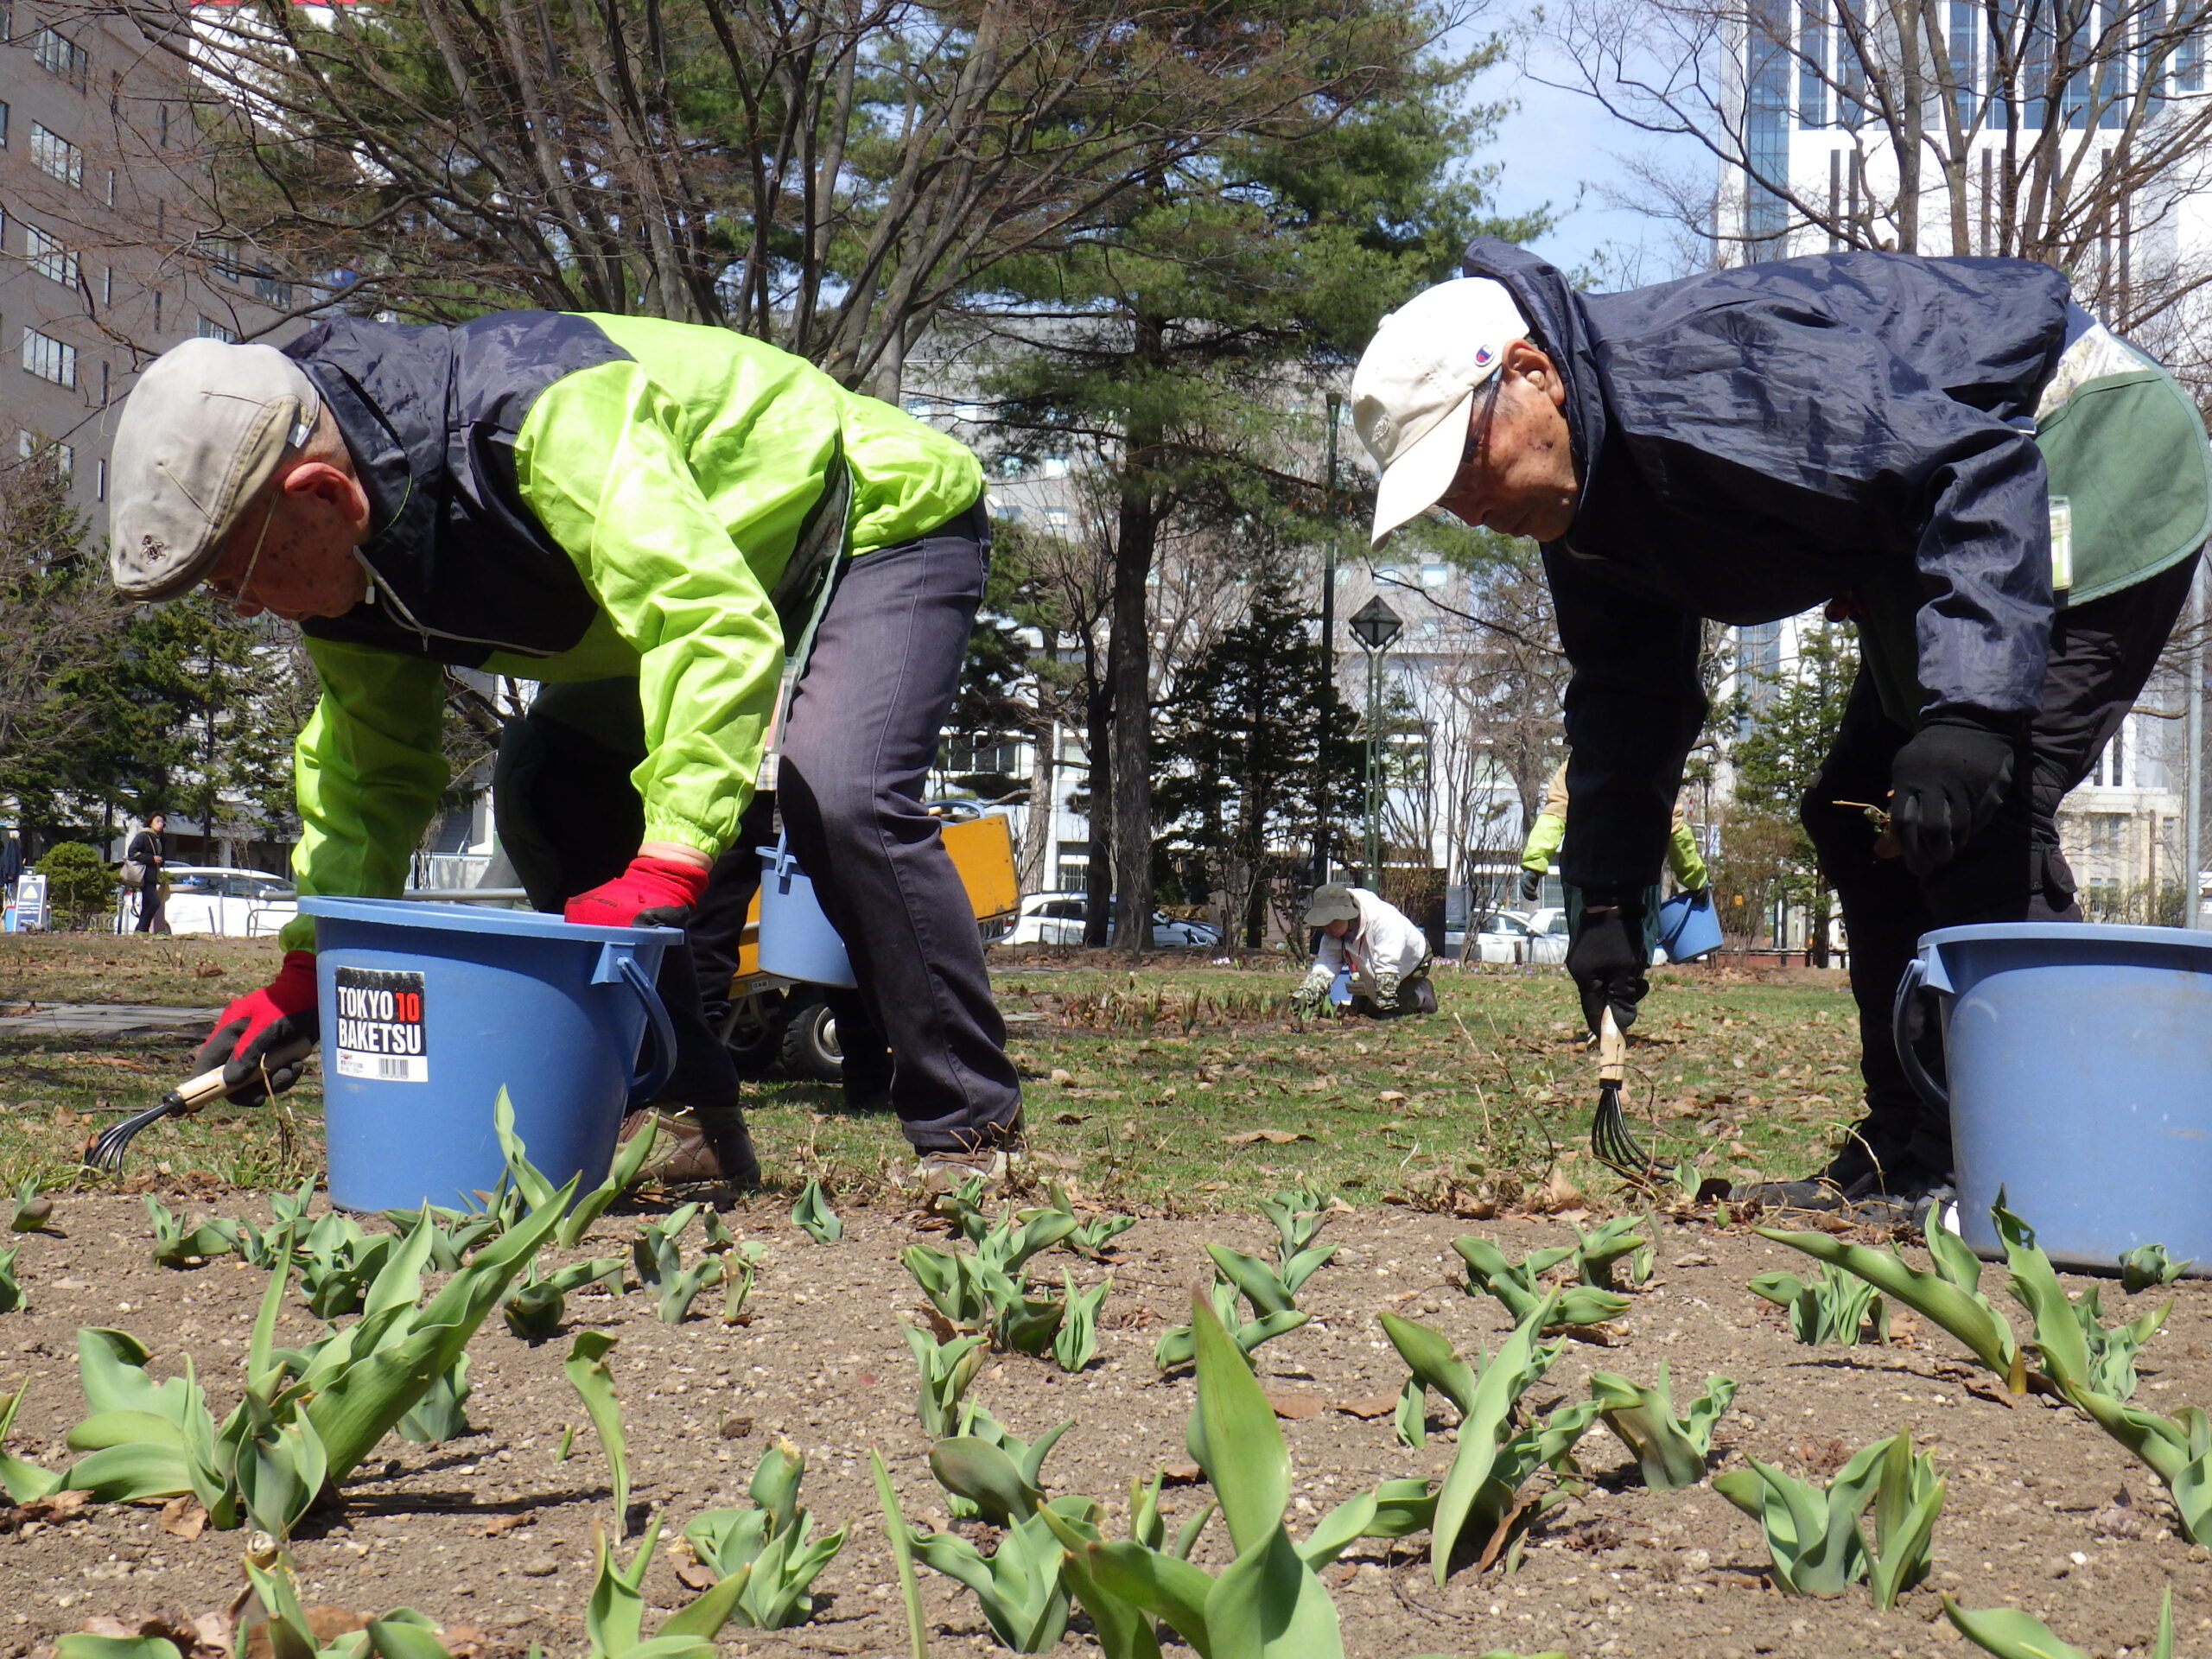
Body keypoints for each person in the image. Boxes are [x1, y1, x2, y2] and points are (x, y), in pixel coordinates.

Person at [1351, 239, 2209, 1224]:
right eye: (1437, 492)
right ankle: (1905, 1148)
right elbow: (1627, 689)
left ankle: (2014, 1172)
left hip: (2069, 445)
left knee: (1973, 816)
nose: (1465, 505)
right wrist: (1606, 900)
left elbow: (1973, 468)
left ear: (1532, 377)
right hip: (1957, 501)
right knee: (1855, 816)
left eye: (1461, 460)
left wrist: (1969, 717)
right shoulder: (1583, 496)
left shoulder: (1707, 380)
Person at [107, 320, 1025, 1188]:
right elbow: (368, 772)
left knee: (840, 791)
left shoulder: (540, 420)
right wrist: (318, 964)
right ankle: (681, 1114)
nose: (244, 608)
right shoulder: (354, 584)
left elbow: (708, 625)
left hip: (861, 518)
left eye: (236, 573)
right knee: (552, 781)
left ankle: (969, 1126)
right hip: (698, 588)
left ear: (322, 494)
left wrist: (669, 860)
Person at [1518, 760, 1710, 1032]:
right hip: (1621, 873)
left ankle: (1614, 1012)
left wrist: (1695, 878)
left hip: (1598, 873)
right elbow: (1556, 813)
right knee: (1608, 953)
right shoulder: (1648, 763)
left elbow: (1673, 824)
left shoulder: (1581, 766)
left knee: (1620, 953)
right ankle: (1607, 1016)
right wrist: (1535, 862)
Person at [1291, 883, 1437, 1017]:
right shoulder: (1332, 935)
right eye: (1323, 923)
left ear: (1348, 915)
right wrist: (1306, 995)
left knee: (1379, 1010)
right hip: (1372, 969)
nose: (1327, 928)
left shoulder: (1384, 920)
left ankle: (1422, 995)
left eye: (1332, 921)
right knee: (1357, 1009)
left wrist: (1386, 1006)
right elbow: (1325, 967)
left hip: (1411, 962)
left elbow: (1388, 966)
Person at [124, 814, 168, 935]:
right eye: (158, 821)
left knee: (147, 904)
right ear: (150, 822)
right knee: (155, 902)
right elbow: (132, 853)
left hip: (153, 875)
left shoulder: (159, 839)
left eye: (162, 822)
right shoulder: (143, 836)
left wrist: (160, 860)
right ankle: (142, 929)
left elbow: (162, 856)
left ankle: (141, 931)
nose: (160, 824)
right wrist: (151, 859)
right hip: (144, 875)